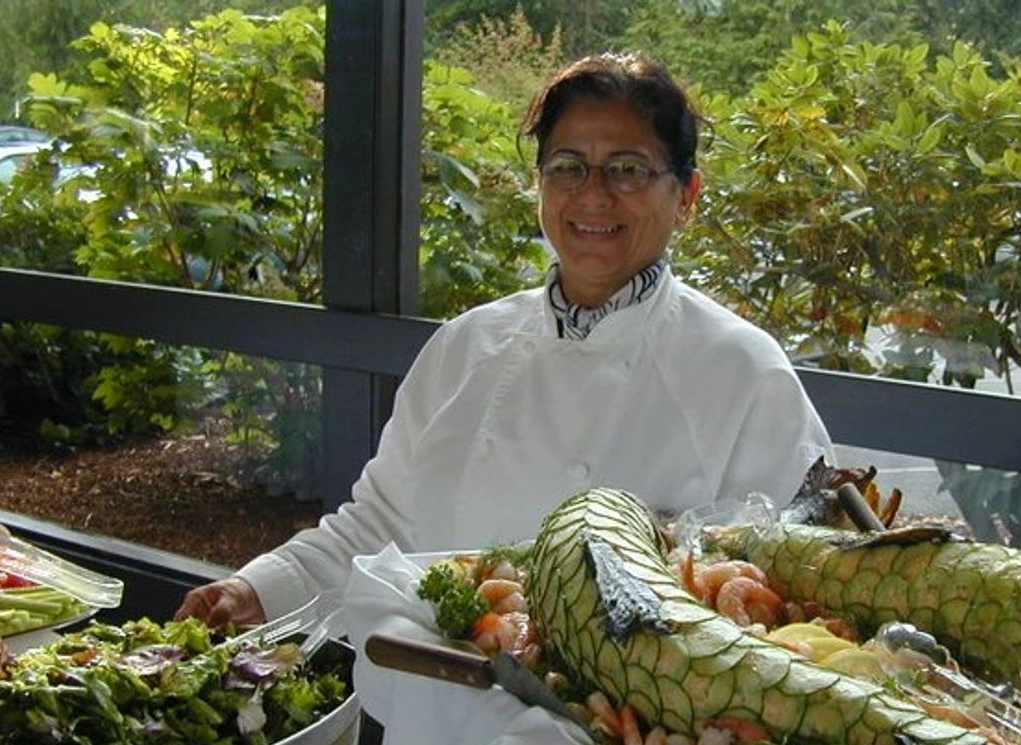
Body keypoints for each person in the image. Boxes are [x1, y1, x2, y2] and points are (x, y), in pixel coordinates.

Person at [176, 52, 833, 628]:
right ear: (540, 183)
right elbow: (380, 524)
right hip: (442, 732)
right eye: (568, 167)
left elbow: (784, 589)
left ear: (686, 193)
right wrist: (257, 589)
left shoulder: (740, 371)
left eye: (627, 169)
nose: (593, 195)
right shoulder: (467, 346)